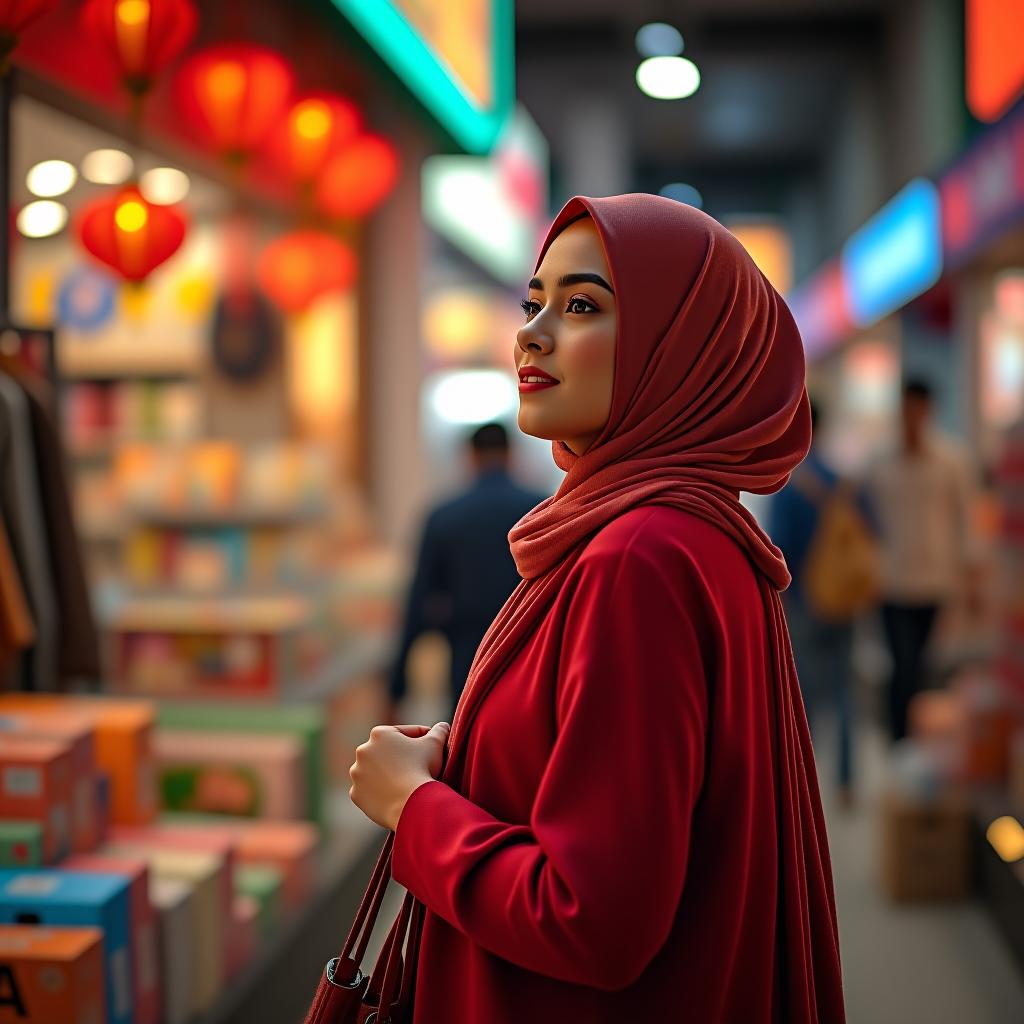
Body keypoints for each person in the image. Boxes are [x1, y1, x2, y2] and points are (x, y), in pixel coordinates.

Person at [349, 194, 845, 1022]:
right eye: (533, 302)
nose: (532, 333)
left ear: (680, 348)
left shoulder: (637, 558)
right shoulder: (688, 533)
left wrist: (414, 807)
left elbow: (594, 918)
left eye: (582, 305)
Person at [386, 422, 548, 722]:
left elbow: (418, 603)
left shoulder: (443, 516)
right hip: (531, 657)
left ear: (470, 456)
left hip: (466, 660)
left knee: (467, 741)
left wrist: (397, 688)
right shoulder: (540, 510)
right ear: (510, 454)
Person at [866, 378, 980, 742]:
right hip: (892, 582)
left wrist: (972, 578)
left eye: (917, 408)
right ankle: (900, 742)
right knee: (903, 666)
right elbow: (866, 523)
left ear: (928, 410)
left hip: (937, 582)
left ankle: (923, 744)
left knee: (929, 668)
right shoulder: (879, 462)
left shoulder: (952, 461)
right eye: (906, 408)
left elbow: (967, 523)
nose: (911, 416)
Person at [770, 401, 860, 809]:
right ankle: (845, 782)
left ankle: (803, 781)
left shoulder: (787, 485)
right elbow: (868, 533)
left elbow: (778, 549)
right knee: (843, 689)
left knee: (802, 692)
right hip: (842, 600)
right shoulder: (841, 483)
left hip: (804, 600)